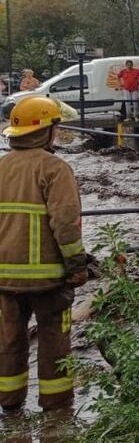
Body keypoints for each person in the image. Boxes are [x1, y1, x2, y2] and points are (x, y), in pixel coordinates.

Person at [0, 97, 89, 412]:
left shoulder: (1, 167)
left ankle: (10, 403)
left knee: (9, 340)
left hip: (5, 278)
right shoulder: (55, 168)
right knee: (54, 340)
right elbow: (66, 225)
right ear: (48, 130)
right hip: (48, 278)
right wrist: (78, 265)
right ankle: (56, 405)